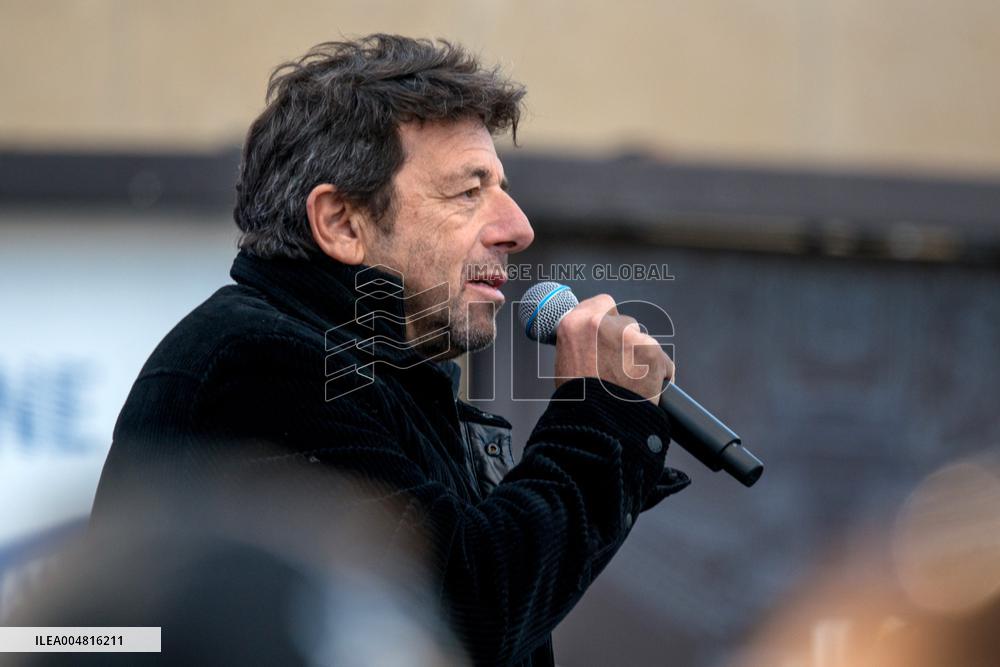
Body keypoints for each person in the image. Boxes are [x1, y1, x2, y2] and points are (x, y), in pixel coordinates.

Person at [92, 34, 690, 666]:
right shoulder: (263, 363)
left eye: (501, 187)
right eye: (468, 191)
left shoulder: (371, 368)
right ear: (342, 223)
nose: (518, 228)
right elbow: (448, 617)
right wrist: (596, 422)